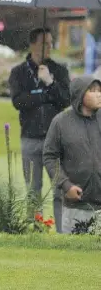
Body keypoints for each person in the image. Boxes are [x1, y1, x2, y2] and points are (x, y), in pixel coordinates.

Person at [8, 27, 70, 232]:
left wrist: (49, 82)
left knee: (59, 188)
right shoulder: (18, 72)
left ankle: (63, 230)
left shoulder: (59, 70)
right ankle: (35, 229)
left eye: (51, 43)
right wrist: (43, 95)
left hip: (56, 140)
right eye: (45, 43)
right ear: (33, 44)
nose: (49, 47)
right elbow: (19, 101)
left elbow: (64, 100)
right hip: (30, 137)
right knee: (33, 190)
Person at [43, 75, 101, 234]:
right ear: (80, 95)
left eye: (99, 91)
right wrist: (65, 185)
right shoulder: (61, 122)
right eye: (93, 91)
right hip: (75, 207)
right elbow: (49, 157)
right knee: (75, 254)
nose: (99, 94)